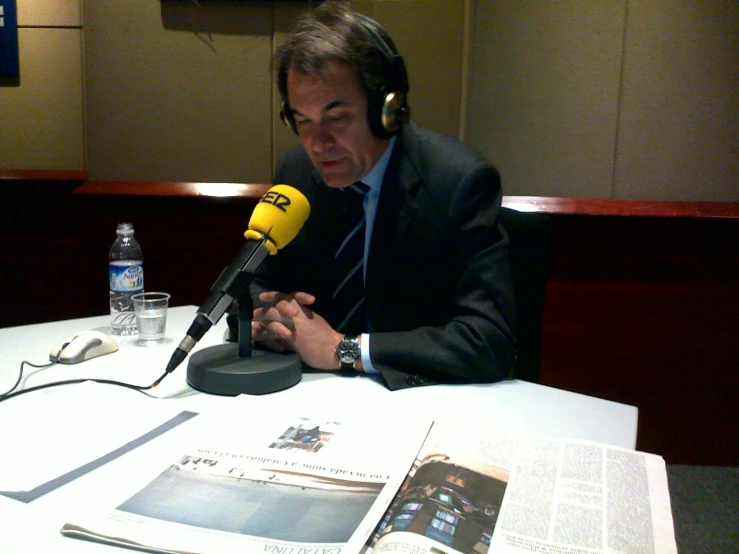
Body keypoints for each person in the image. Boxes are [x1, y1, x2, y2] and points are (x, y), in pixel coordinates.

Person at [248, 0, 516, 390]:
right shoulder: (296, 173)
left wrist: (346, 349)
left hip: (424, 404)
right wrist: (273, 315)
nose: (317, 143)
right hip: (316, 402)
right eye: (302, 121)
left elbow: (489, 341)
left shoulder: (458, 182)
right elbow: (257, 283)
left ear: (388, 109)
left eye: (336, 117)